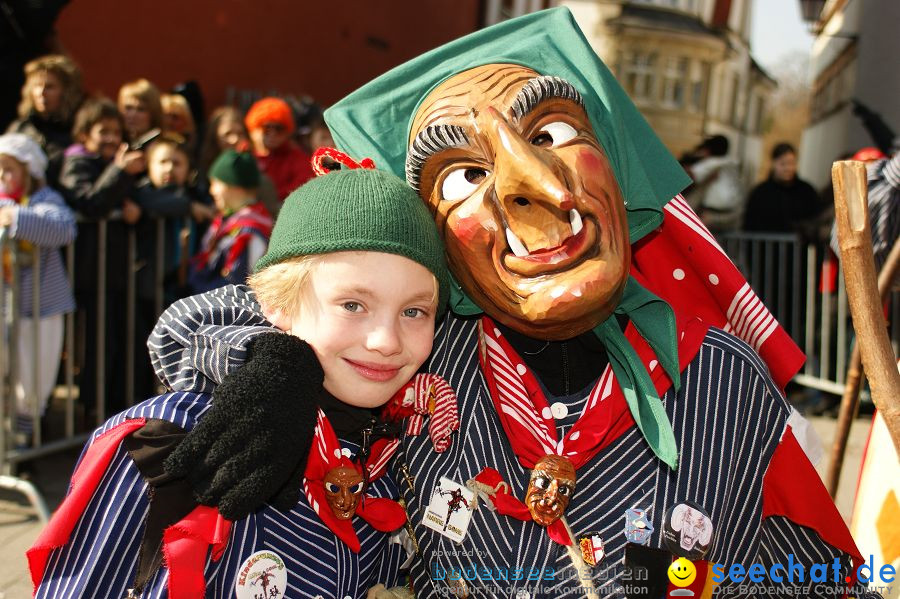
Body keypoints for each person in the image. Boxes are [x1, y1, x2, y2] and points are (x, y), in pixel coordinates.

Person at [141, 9, 877, 598]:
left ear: (617, 175)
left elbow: (799, 567)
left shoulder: (720, 379)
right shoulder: (416, 366)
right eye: (462, 175)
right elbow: (187, 328)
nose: (543, 190)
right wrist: (278, 359)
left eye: (555, 134)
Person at [29, 163, 451, 599]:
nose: (385, 341)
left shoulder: (404, 445)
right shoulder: (166, 440)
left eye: (414, 311)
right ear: (277, 303)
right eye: (352, 304)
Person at [59, 97, 144, 416]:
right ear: (85, 134)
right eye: (101, 131)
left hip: (116, 271)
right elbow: (90, 202)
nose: (110, 138)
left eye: (114, 131)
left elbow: (125, 199)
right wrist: (119, 172)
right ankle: (91, 413)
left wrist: (134, 208)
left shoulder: (112, 165)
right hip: (90, 270)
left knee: (120, 343)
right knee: (97, 347)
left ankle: (116, 411)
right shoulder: (76, 162)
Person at [0, 133, 76, 443]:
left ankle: (24, 442)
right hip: (5, 303)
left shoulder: (46, 200)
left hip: (41, 305)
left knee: (34, 377)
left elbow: (63, 229)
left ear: (28, 172)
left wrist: (15, 216)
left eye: (8, 169)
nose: (2, 177)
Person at [187, 149, 272, 293]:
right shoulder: (227, 221)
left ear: (235, 187)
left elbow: (236, 283)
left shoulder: (248, 231)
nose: (211, 190)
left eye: (215, 183)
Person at [6, 55, 84, 189]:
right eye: (37, 86)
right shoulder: (20, 128)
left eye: (50, 87)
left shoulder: (78, 130)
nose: (41, 92)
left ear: (66, 92)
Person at [199, 105, 280, 218]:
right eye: (227, 134)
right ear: (215, 137)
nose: (235, 139)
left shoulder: (257, 178)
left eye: (240, 133)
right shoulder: (200, 174)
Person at [743, 142, 825, 238]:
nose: (787, 168)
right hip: (765, 250)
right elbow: (749, 225)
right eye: (783, 164)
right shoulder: (760, 193)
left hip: (798, 251)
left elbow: (817, 220)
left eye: (791, 163)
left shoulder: (807, 191)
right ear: (773, 163)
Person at [244, 96, 314, 201]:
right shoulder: (243, 155)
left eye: (279, 129)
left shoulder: (297, 158)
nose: (272, 134)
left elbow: (303, 187)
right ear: (253, 130)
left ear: (287, 132)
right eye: (266, 128)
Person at [683, 134, 743, 235]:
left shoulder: (712, 162)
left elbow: (689, 175)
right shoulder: (731, 162)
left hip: (711, 214)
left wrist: (693, 158)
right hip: (730, 214)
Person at [118, 78, 163, 144]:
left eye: (141, 109)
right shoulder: (114, 145)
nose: (132, 114)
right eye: (128, 108)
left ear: (153, 114)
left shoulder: (163, 149)